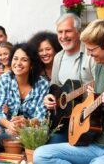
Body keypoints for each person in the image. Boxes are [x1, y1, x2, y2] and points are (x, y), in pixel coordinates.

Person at [34, 19, 104, 164]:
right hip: (96, 143)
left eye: (91, 49)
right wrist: (91, 98)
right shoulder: (101, 66)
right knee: (41, 154)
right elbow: (98, 106)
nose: (88, 54)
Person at [42, 13, 96, 144]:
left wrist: (93, 93)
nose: (63, 36)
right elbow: (54, 87)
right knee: (47, 144)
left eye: (68, 31)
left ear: (79, 32)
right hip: (64, 120)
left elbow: (103, 83)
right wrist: (49, 99)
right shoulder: (58, 57)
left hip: (85, 119)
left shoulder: (91, 55)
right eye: (60, 32)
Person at [0, 43, 49, 137]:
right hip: (8, 128)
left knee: (41, 134)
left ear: (31, 65)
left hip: (32, 130)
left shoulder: (42, 84)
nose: (18, 63)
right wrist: (9, 125)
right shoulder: (5, 79)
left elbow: (41, 117)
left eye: (24, 60)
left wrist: (26, 123)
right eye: (15, 59)